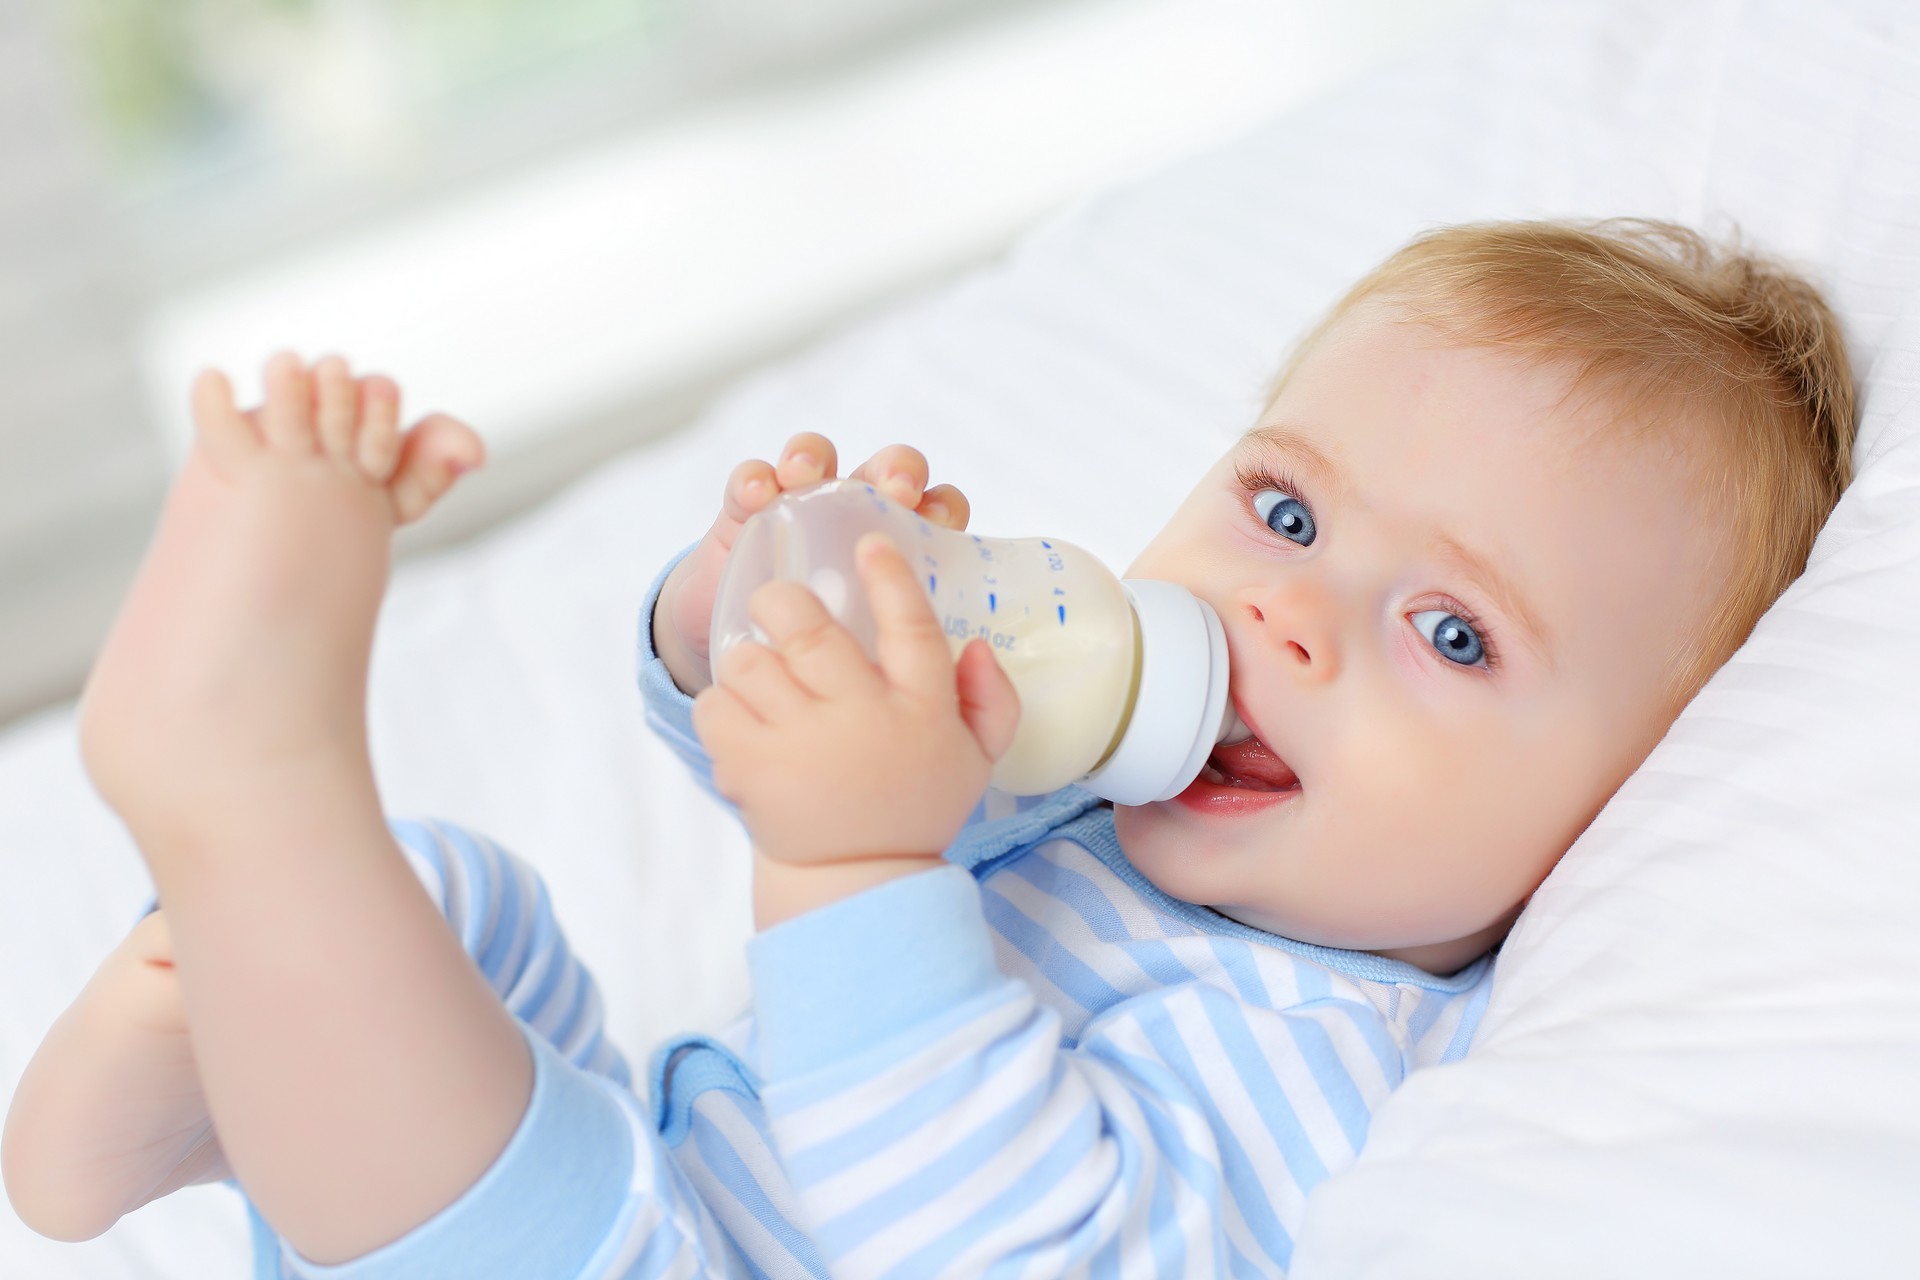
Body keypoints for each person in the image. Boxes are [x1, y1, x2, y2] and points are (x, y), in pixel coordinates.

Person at [3, 219, 1855, 1278]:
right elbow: (750, 751)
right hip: (643, 1160)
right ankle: (205, 1111)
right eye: (1286, 514)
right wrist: (747, 613)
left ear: (1620, 808)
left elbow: (1003, 1252)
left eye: (1452, 634)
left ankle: (250, 798)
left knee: (504, 1166)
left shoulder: (1338, 1061)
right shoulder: (1080, 790)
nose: (1290, 619)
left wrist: (859, 871)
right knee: (452, 912)